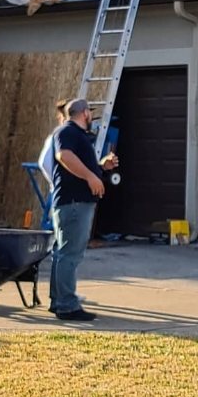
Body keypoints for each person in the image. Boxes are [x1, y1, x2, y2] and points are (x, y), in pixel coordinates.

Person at [48, 98, 119, 322]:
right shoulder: (67, 132)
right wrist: (90, 176)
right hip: (74, 203)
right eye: (90, 111)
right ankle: (67, 306)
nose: (91, 115)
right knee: (70, 254)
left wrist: (100, 167)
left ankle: (58, 300)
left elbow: (74, 163)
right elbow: (64, 156)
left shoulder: (75, 135)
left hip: (72, 202)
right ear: (85, 113)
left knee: (62, 253)